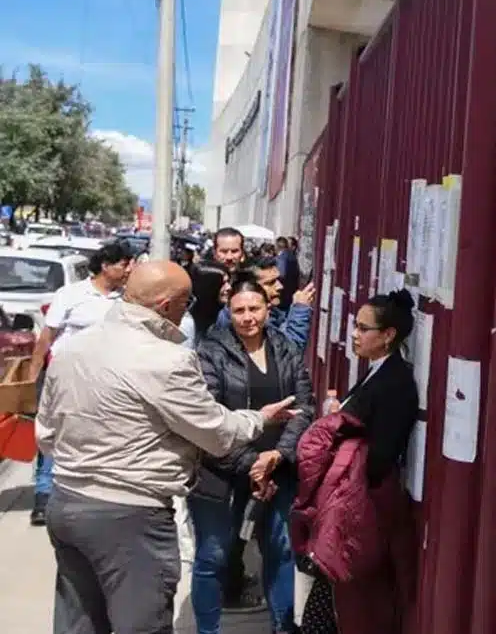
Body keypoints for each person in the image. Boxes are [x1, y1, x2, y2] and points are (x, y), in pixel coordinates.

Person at [35, 261, 297, 634]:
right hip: (130, 516)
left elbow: (45, 433)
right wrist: (259, 419)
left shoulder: (73, 348)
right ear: (166, 306)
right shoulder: (166, 360)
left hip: (67, 503)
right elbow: (215, 432)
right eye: (186, 303)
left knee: (79, 623)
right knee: (142, 624)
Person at [190, 278, 316, 633]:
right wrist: (252, 463)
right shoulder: (210, 352)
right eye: (239, 310)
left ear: (268, 309)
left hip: (277, 468)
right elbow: (209, 417)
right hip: (221, 469)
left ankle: (283, 626)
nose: (248, 317)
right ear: (228, 312)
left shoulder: (285, 347)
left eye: (254, 309)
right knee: (213, 556)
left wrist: (277, 455)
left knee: (282, 549)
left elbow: (305, 407)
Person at [292, 290, 421, 633]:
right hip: (349, 505)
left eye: (364, 328)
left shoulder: (395, 383)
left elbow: (380, 454)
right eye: (356, 326)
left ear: (388, 335)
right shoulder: (376, 372)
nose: (354, 334)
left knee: (353, 601)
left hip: (363, 507)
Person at [28, 241, 134, 525]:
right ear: (105, 266)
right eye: (124, 264)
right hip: (66, 380)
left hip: (107, 382)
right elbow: (47, 338)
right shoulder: (71, 295)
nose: (129, 270)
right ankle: (43, 495)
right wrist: (32, 378)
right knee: (55, 434)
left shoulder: (127, 299)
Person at [212, 257, 314, 348]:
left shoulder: (272, 311)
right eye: (270, 283)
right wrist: (300, 311)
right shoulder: (236, 319)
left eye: (278, 280)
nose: (279, 286)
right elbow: (287, 352)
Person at [189, 261, 230, 346]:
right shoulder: (188, 322)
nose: (229, 287)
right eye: (222, 284)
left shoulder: (229, 316)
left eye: (228, 282)